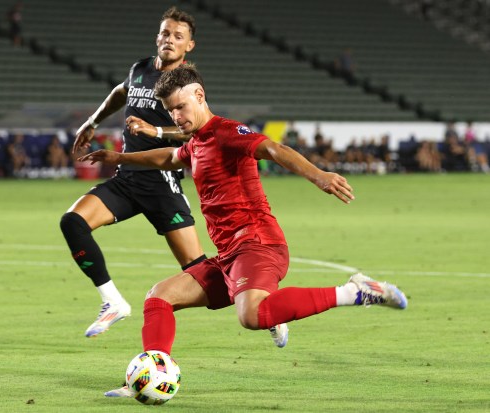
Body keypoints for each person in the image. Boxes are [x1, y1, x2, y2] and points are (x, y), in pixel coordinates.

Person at [77, 64, 408, 397]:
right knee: (159, 297)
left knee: (252, 315)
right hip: (229, 257)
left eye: (180, 107)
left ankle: (356, 291)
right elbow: (171, 158)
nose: (175, 116)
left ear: (199, 95)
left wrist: (318, 175)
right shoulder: (197, 142)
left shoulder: (226, 132)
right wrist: (119, 156)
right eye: (170, 110)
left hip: (258, 245)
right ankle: (150, 375)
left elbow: (273, 149)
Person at [62, 7, 288, 345]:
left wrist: (154, 129)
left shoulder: (184, 85)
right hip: (127, 178)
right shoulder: (139, 69)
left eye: (177, 36)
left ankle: (265, 302)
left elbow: (195, 135)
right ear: (157, 36)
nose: (169, 40)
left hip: (161, 182)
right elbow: (121, 93)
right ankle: (113, 301)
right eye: (165, 33)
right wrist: (92, 121)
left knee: (197, 268)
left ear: (189, 46)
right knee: (73, 222)